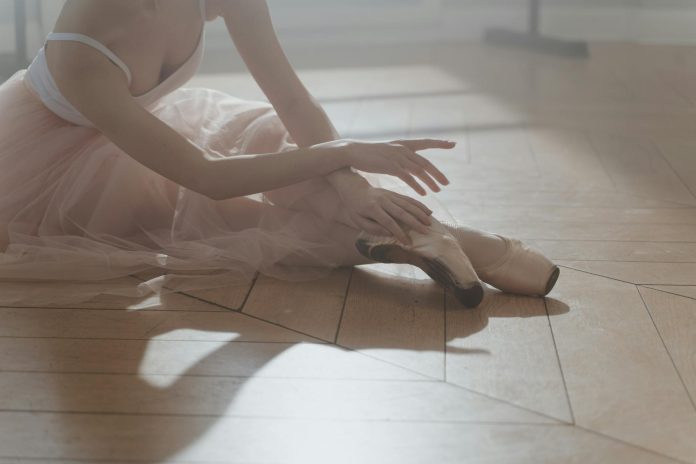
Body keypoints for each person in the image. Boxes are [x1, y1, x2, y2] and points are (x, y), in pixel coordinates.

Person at [0, 0, 558, 309]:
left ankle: (419, 238)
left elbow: (291, 97)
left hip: (152, 134)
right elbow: (207, 176)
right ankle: (465, 244)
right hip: (48, 181)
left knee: (270, 135)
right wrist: (346, 154)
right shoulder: (82, 46)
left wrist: (353, 185)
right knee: (236, 218)